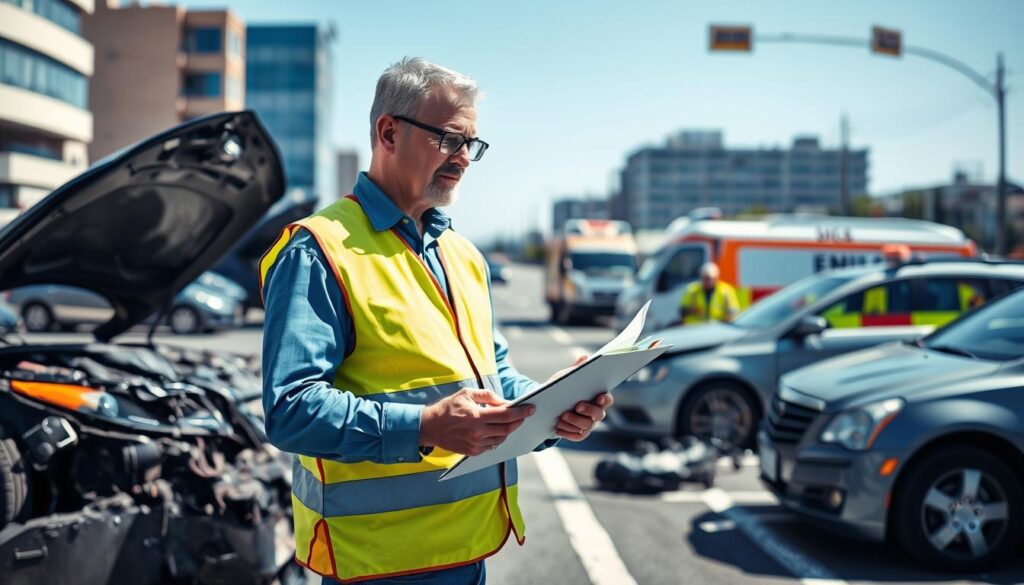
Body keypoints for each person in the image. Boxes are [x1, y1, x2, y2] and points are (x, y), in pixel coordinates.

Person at [259, 57, 613, 585]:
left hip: (468, 550)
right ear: (388, 132)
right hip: (377, 564)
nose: (465, 158)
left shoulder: (464, 256)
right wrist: (427, 427)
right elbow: (290, 410)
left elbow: (492, 376)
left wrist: (557, 404)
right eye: (450, 140)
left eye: (472, 144)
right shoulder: (319, 249)